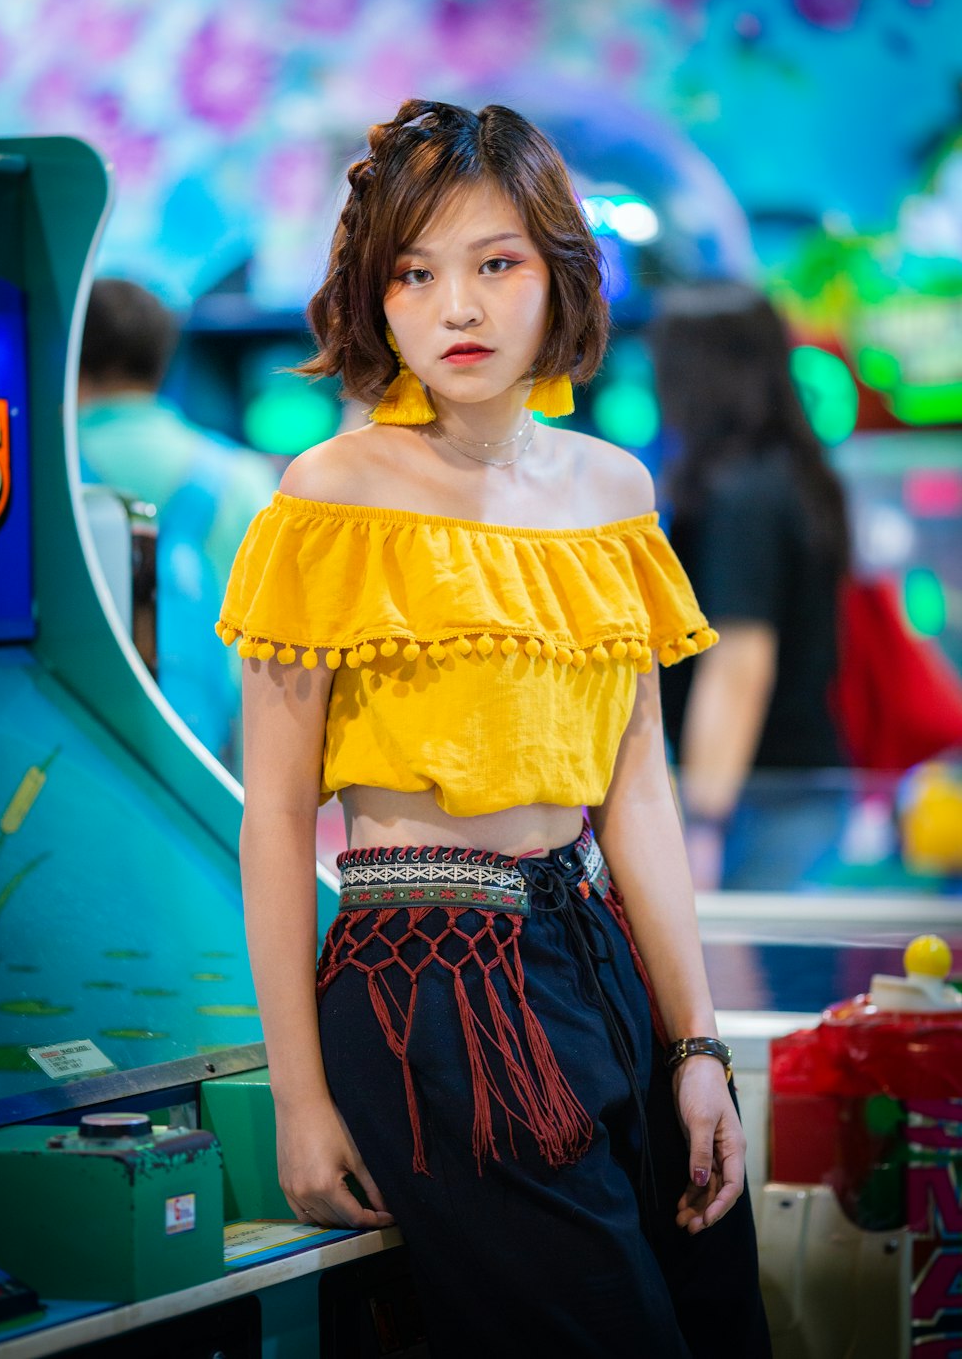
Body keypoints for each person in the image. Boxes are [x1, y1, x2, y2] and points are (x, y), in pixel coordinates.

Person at [218, 102, 771, 1357]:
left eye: (494, 263)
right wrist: (297, 1102)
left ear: (558, 274)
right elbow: (276, 821)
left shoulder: (612, 493)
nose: (454, 307)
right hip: (424, 977)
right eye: (413, 272)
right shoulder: (329, 497)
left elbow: (637, 796)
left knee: (717, 1316)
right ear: (375, 295)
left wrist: (698, 1047)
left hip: (601, 956)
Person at [649, 283, 851, 892]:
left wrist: (704, 821)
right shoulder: (798, 473)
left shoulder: (740, 494)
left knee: (742, 984)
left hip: (755, 801)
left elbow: (739, 662)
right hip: (799, 784)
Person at [79, 279, 277, 769]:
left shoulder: (29, 471)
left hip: (69, 750)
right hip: (211, 760)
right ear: (164, 361)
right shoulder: (241, 478)